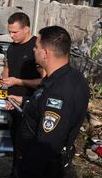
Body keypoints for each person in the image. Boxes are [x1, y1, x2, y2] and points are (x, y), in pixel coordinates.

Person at [7, 26, 90, 178]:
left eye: (37, 47)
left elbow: (47, 145)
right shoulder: (68, 77)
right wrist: (24, 101)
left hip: (38, 169)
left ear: (45, 53)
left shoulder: (59, 91)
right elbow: (43, 105)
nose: (33, 50)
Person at [0, 12, 43, 178]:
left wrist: (17, 82)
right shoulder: (12, 47)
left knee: (28, 148)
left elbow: (44, 81)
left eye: (15, 32)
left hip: (31, 107)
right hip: (12, 105)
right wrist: (2, 78)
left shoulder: (37, 48)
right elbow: (8, 68)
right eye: (9, 31)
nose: (11, 35)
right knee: (16, 145)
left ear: (27, 29)